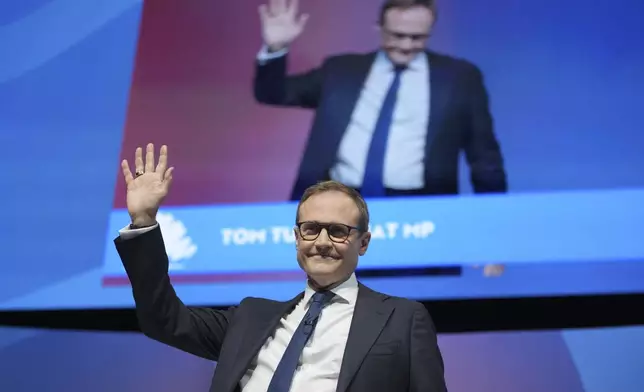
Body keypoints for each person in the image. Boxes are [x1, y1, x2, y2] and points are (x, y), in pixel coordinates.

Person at [115, 143, 448, 392]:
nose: (321, 241)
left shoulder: (402, 318)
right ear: (296, 237)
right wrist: (143, 221)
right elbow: (163, 320)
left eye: (338, 231)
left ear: (363, 243)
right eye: (311, 229)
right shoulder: (250, 317)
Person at [254, 0, 507, 201]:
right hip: (338, 206)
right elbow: (273, 93)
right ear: (379, 28)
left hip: (422, 210)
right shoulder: (340, 71)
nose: (406, 45)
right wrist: (276, 48)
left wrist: (494, 230)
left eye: (417, 37)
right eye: (397, 35)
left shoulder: (459, 78)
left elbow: (484, 157)